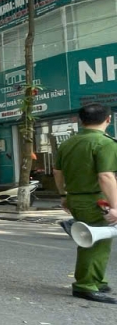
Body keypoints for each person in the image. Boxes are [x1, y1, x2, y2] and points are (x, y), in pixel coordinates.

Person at [54, 103, 117, 304]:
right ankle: (85, 285)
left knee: (95, 241)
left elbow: (57, 172)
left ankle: (96, 280)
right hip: (96, 200)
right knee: (95, 243)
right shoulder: (106, 143)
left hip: (75, 198)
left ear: (81, 121)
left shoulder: (68, 143)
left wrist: (64, 195)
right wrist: (115, 206)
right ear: (109, 119)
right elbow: (106, 176)